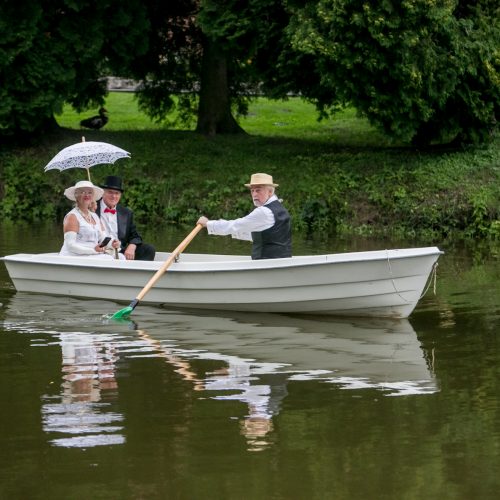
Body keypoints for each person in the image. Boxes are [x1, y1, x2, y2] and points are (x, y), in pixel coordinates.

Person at [197, 173, 292, 260]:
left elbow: (236, 225)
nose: (254, 194)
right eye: (252, 190)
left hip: (265, 264)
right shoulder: (279, 207)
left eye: (258, 190)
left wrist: (208, 224)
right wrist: (235, 233)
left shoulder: (263, 212)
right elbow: (265, 236)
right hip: (281, 261)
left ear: (270, 191)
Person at [96, 175, 156, 261]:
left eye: (117, 193)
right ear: (103, 193)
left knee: (149, 249)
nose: (113, 196)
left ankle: (137, 274)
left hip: (119, 252)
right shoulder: (92, 209)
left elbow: (135, 236)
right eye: (110, 192)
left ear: (120, 195)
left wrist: (132, 246)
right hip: (99, 250)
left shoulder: (126, 213)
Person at [59, 180, 122, 259]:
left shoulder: (94, 216)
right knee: (107, 258)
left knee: (121, 257)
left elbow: (103, 238)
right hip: (74, 256)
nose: (87, 195)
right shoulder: (72, 216)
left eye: (90, 192)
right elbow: (70, 246)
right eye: (82, 192)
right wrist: (93, 250)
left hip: (92, 255)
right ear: (76, 196)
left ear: (93, 196)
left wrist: (112, 243)